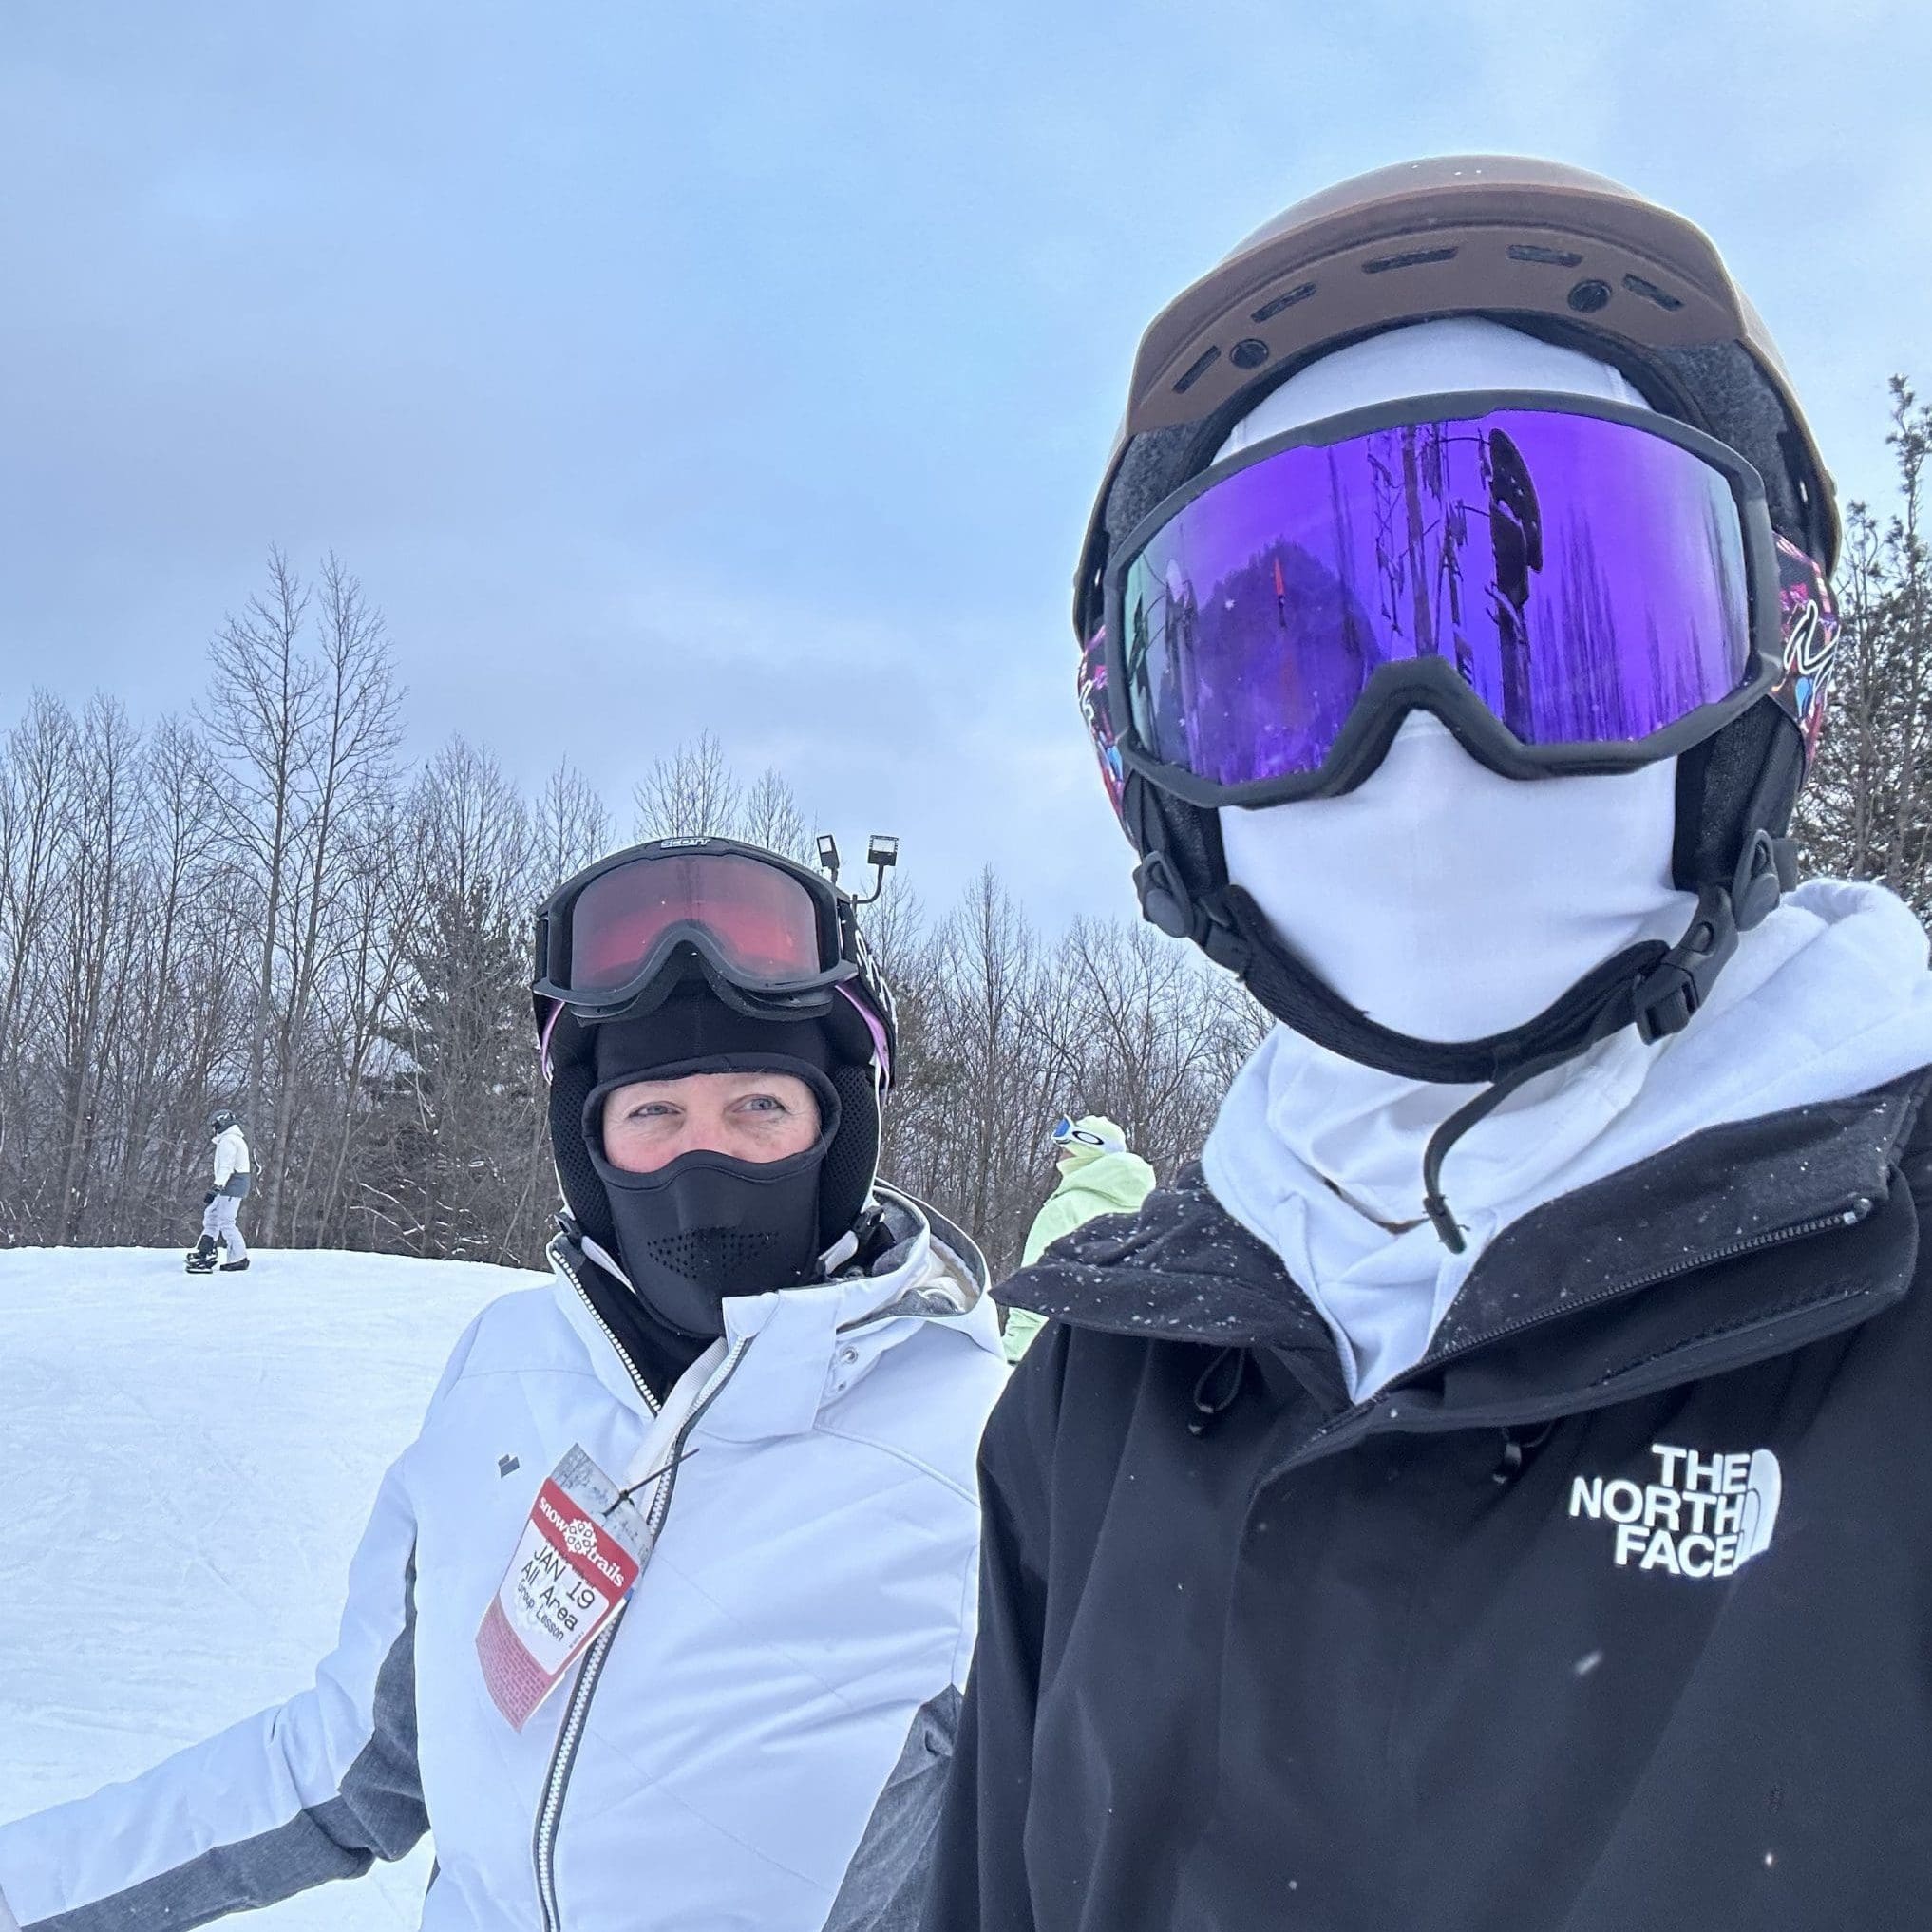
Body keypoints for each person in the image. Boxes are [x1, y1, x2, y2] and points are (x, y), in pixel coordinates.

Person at [924, 157, 1932, 1930]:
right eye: (1279, 661)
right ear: (1152, 781)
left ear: (1773, 671)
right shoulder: (1095, 1398)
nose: (1420, 760)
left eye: (1558, 627)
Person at [0, 835, 1007, 1932]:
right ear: (592, 1149)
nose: (700, 1155)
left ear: (838, 1128)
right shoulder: (506, 1372)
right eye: (653, 1114)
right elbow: (348, 1773)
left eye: (760, 1107)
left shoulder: (986, 1451)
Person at [1002, 1116, 1155, 1361]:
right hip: (1118, 1359)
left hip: (1050, 1357)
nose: (1060, 1151)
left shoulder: (1066, 1208)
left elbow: (1036, 1287)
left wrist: (1016, 1351)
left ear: (1087, 1146)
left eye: (1067, 1143)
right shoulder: (1145, 1213)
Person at [185, 1107, 252, 1274]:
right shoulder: (232, 1139)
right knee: (212, 1215)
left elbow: (227, 1167)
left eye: (215, 1125)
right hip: (230, 1184)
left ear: (222, 1122)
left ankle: (239, 1258)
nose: (213, 1129)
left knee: (226, 1222)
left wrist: (216, 1187)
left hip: (232, 1185)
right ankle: (204, 1249)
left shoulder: (228, 1140)